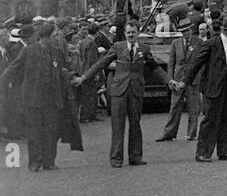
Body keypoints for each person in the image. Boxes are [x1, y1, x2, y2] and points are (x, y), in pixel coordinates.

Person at [75, 20, 157, 168]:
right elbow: (102, 63)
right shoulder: (118, 47)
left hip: (135, 91)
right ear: (125, 34)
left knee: (135, 124)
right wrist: (84, 77)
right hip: (119, 91)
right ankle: (116, 158)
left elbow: (154, 67)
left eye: (133, 32)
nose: (131, 35)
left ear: (138, 33)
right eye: (128, 32)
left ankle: (135, 157)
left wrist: (170, 81)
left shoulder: (144, 48)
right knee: (117, 125)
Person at [0, 21, 78, 171]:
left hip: (52, 98)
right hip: (33, 98)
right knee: (34, 131)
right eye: (54, 35)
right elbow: (13, 68)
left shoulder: (56, 51)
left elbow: (60, 69)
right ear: (45, 37)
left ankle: (49, 162)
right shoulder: (29, 51)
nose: (56, 38)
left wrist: (72, 76)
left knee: (51, 130)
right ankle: (35, 162)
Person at [174, 13, 227, 162]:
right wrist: (185, 82)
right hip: (214, 86)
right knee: (210, 120)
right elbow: (196, 64)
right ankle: (203, 153)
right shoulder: (211, 44)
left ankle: (225, 151)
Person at [155, 23, 201, 142]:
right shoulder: (175, 43)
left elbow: (201, 61)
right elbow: (171, 62)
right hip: (178, 79)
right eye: (183, 31)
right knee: (174, 107)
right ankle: (169, 133)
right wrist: (170, 79)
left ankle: (191, 134)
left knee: (193, 108)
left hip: (193, 79)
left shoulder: (199, 42)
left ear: (191, 30)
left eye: (188, 30)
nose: (186, 33)